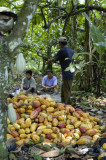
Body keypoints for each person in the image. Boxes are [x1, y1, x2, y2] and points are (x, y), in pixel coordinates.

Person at [47, 37, 74, 104]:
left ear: (60, 43)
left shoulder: (62, 51)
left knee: (67, 90)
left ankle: (67, 105)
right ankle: (63, 102)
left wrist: (49, 61)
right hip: (71, 71)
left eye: (59, 44)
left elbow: (54, 59)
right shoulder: (71, 50)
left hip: (67, 72)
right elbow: (66, 60)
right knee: (65, 88)